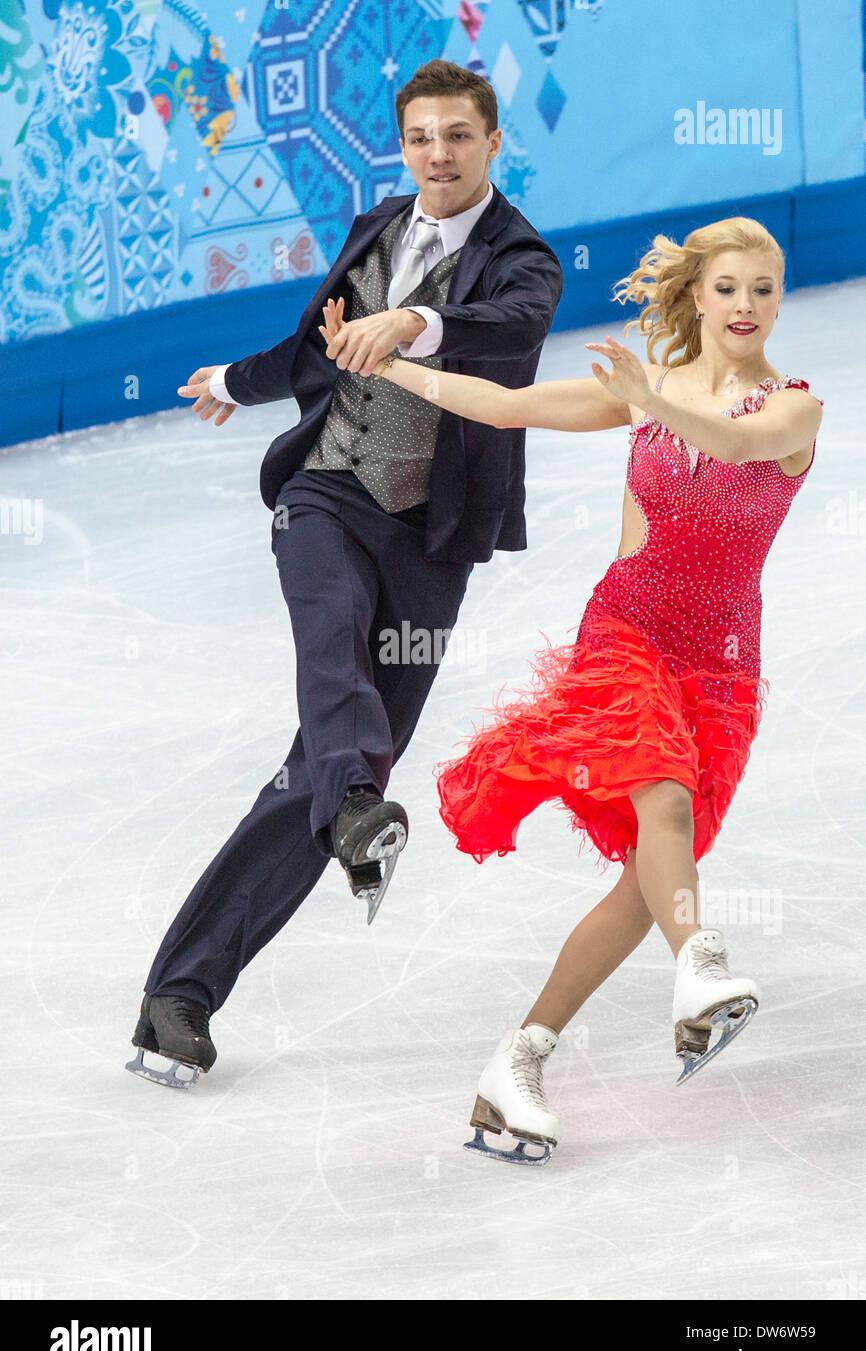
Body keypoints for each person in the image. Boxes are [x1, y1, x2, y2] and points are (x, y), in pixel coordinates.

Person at [319, 215, 822, 1162]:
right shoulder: (648, 391)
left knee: (646, 883)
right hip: (628, 633)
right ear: (699, 295)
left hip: (721, 667)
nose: (746, 305)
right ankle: (701, 962)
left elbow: (733, 442)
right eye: (727, 288)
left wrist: (651, 401)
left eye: (763, 289)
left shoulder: (795, 410)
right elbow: (506, 405)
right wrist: (393, 368)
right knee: (663, 801)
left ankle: (518, 1062)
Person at [126, 59, 563, 1088]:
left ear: (492, 144)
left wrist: (412, 323)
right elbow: (315, 348)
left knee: (314, 779)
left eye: (457, 136)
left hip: (430, 538)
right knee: (330, 650)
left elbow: (510, 328)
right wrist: (233, 380)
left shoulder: (521, 258)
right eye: (420, 138)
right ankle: (357, 799)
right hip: (324, 493)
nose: (437, 155)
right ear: (401, 146)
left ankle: (177, 996)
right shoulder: (378, 226)